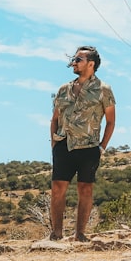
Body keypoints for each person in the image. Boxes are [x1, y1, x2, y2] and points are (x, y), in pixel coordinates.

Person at [49, 45, 116, 242]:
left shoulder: (104, 90)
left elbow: (111, 120)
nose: (74, 63)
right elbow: (54, 118)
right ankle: (56, 234)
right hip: (64, 145)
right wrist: (54, 142)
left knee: (85, 189)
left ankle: (80, 234)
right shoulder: (63, 89)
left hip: (89, 147)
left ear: (91, 64)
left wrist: (102, 146)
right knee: (57, 189)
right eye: (74, 59)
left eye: (78, 59)